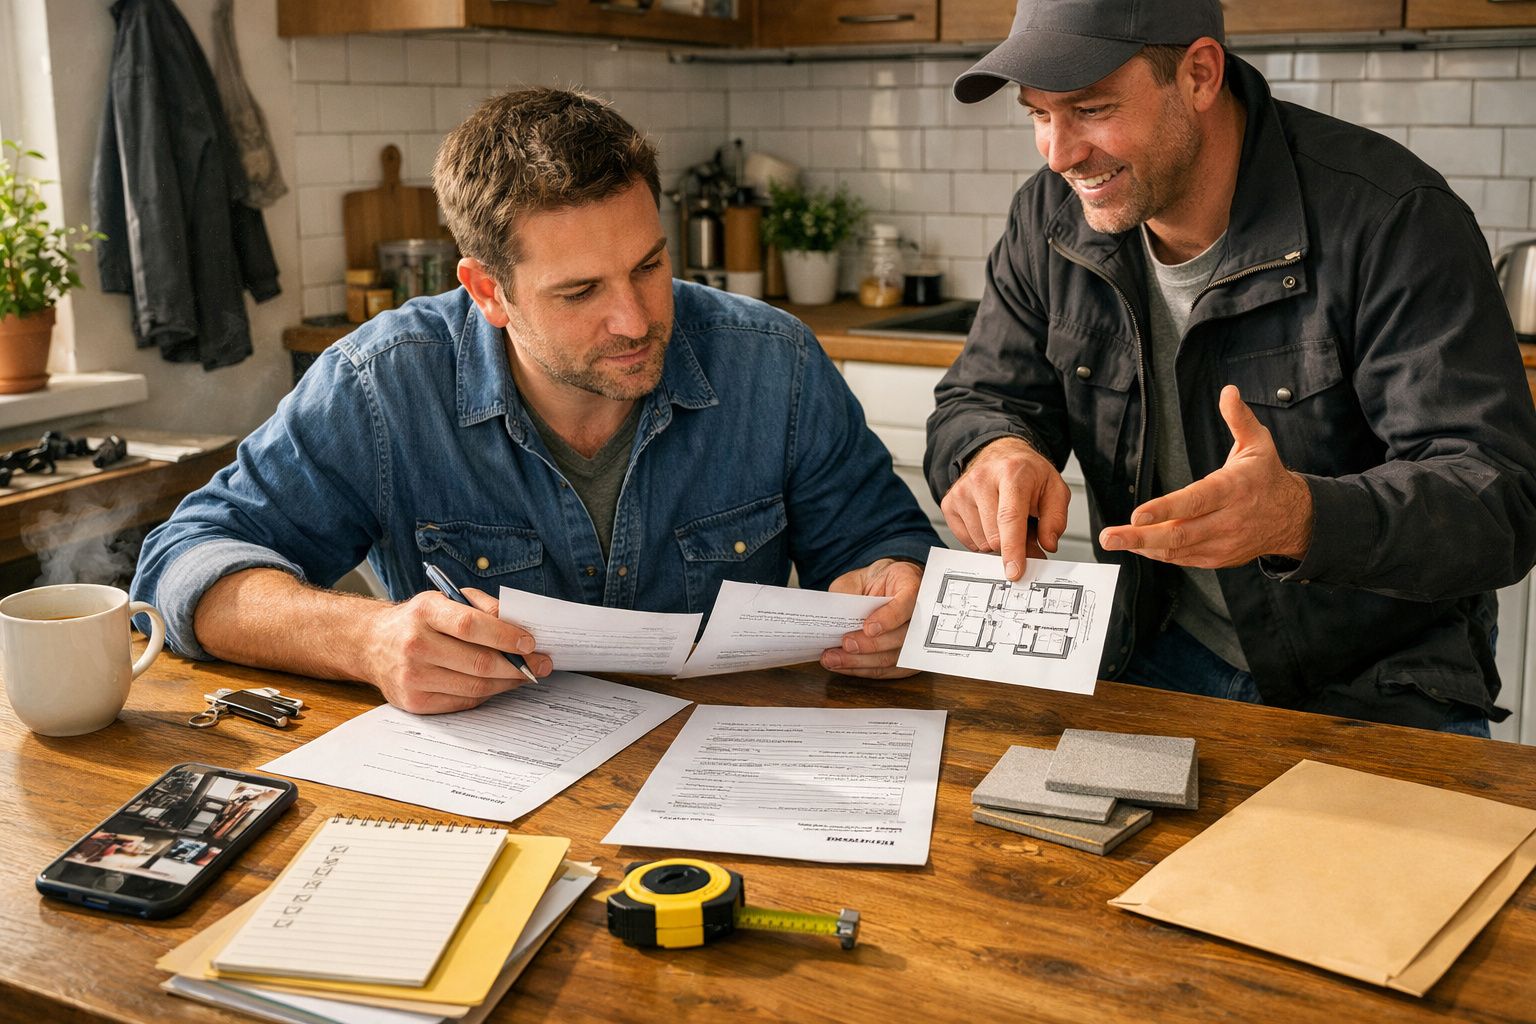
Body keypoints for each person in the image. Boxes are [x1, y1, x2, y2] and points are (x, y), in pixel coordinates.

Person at [132, 88, 940, 715]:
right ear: (489, 291)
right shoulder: (383, 384)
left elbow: (883, 544)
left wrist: (895, 593)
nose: (636, 320)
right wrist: (369, 638)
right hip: (484, 805)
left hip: (739, 785)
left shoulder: (775, 363)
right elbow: (184, 563)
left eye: (650, 266)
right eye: (581, 290)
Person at [926, 0, 1536, 734]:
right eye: (1037, 115)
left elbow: (1498, 498)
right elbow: (978, 396)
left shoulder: (1393, 219)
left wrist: (1302, 517)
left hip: (1377, 683)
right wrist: (994, 449)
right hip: (1156, 656)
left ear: (1200, 74)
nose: (1058, 154)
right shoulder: (1049, 218)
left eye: (1090, 109)